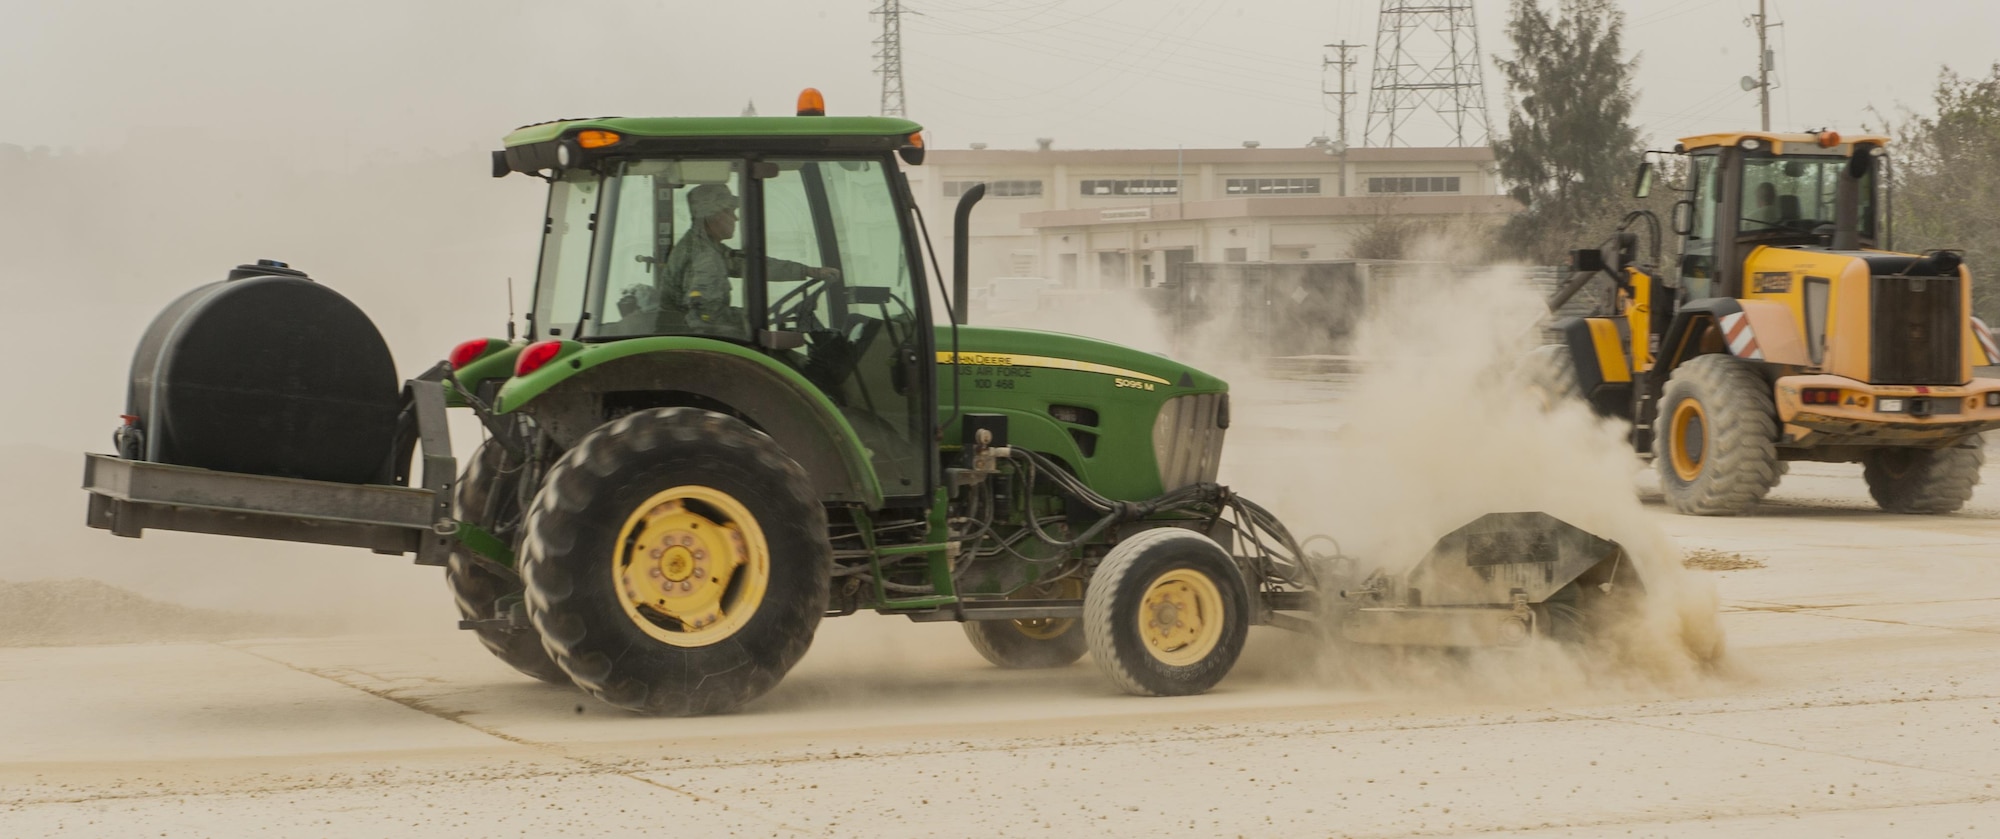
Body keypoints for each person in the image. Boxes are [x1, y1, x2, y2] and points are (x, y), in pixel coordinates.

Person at [660, 183, 839, 333]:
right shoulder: (705, 259)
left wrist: (808, 271)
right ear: (713, 215)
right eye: (730, 212)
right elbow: (706, 321)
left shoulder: (706, 246)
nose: (736, 218)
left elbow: (749, 263)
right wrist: (750, 319)